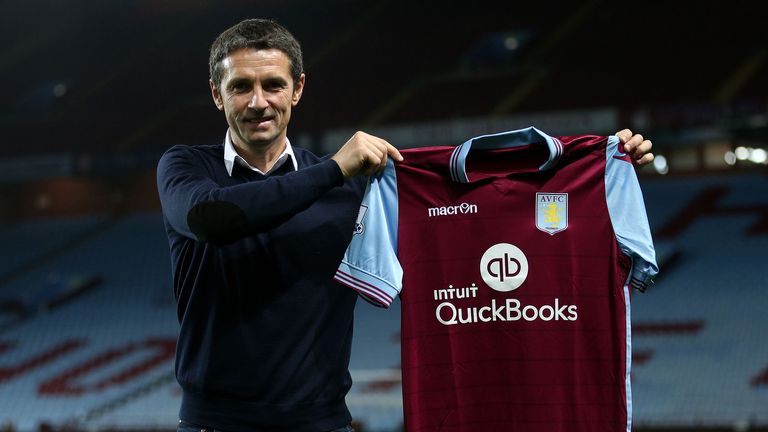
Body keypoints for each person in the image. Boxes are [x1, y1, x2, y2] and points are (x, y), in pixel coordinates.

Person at [156, 18, 654, 432]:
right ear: (217, 95)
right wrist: (332, 169)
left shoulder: (358, 186)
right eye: (240, 86)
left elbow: (478, 192)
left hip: (322, 424)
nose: (258, 101)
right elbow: (212, 218)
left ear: (298, 88)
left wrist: (598, 165)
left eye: (273, 84)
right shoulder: (185, 168)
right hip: (212, 423)